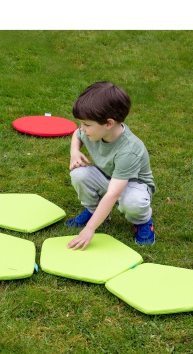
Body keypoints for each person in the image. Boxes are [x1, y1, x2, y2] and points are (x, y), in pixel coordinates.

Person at [66, 81, 156, 250]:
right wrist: (74, 152)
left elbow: (113, 194)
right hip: (107, 177)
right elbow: (76, 135)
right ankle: (94, 211)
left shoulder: (128, 150)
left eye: (86, 124)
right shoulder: (92, 130)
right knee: (78, 174)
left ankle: (143, 221)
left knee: (133, 203)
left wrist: (89, 229)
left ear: (108, 123)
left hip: (133, 185)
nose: (82, 128)